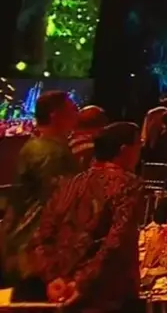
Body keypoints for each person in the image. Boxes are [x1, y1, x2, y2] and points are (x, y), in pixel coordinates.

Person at [28, 122, 143, 311]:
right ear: (125, 150)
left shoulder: (70, 184)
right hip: (108, 296)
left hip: (64, 291)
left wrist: (53, 279)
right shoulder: (129, 185)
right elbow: (117, 241)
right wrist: (82, 283)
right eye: (139, 144)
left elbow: (42, 235)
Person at [1, 90, 80, 300]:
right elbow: (59, 201)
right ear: (55, 114)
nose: (77, 113)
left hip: (29, 246)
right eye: (72, 109)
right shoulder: (49, 152)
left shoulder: (42, 146)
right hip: (38, 249)